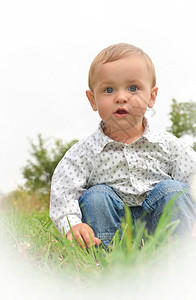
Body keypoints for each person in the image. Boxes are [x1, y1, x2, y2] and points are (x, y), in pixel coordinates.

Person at [50, 43, 196, 249]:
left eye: (133, 88)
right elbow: (64, 190)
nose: (121, 97)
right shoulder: (83, 153)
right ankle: (105, 257)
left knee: (174, 191)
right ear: (93, 100)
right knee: (96, 196)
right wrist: (72, 224)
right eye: (109, 89)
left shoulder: (169, 146)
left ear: (152, 96)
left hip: (160, 227)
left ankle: (178, 254)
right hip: (111, 228)